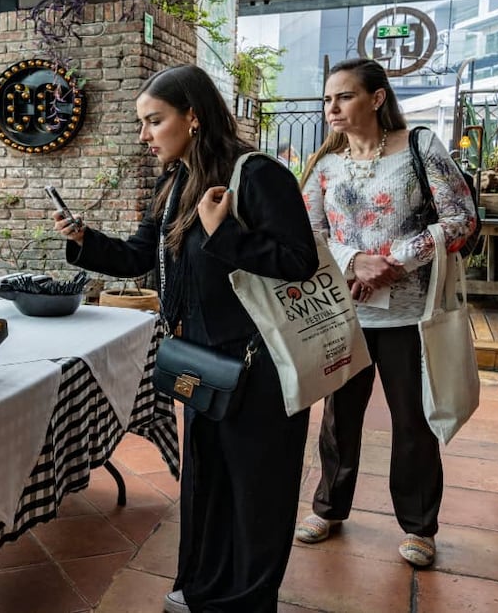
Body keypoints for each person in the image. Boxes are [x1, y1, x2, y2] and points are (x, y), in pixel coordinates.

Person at [52, 64, 319, 612]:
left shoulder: (258, 174)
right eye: (142, 123)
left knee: (256, 492)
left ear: (193, 117)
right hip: (201, 362)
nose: (144, 135)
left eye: (154, 121)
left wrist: (227, 235)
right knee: (209, 482)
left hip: (259, 367)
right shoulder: (172, 181)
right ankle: (203, 588)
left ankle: (245, 600)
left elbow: (299, 263)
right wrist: (84, 239)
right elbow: (138, 257)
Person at [297, 57, 477, 567]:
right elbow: (307, 234)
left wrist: (395, 261)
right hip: (346, 314)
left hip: (411, 315)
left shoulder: (419, 148)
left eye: (344, 96)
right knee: (337, 420)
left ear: (376, 99)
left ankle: (420, 527)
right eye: (327, 98)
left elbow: (461, 219)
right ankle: (328, 508)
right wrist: (355, 260)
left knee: (414, 422)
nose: (332, 107)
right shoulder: (326, 166)